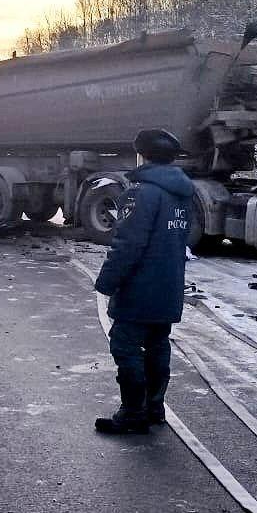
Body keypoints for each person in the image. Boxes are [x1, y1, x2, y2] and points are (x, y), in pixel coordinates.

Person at [93, 128, 193, 435]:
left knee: (125, 345)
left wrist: (106, 282)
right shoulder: (182, 193)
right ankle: (154, 408)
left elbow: (128, 244)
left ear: (143, 155)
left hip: (139, 287)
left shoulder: (141, 193)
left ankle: (133, 411)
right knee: (158, 343)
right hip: (169, 285)